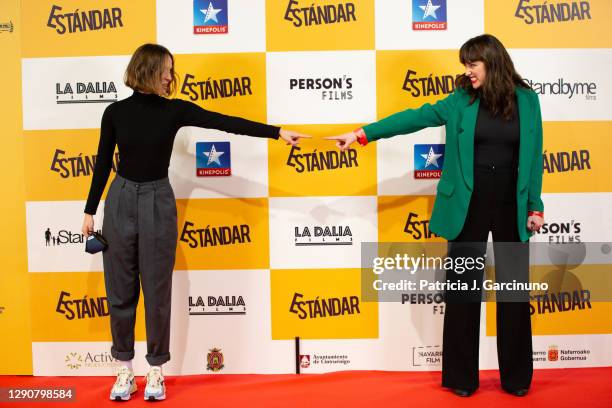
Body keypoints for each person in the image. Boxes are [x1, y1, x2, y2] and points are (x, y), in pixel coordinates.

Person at [81, 43, 309, 401]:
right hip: (121, 199)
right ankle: (123, 372)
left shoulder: (175, 111)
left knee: (156, 293)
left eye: (172, 69)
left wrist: (275, 132)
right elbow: (101, 162)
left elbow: (225, 122)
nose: (172, 76)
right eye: (167, 69)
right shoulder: (114, 113)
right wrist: (90, 210)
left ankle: (155, 372)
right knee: (120, 292)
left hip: (158, 198)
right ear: (149, 70)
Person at [326, 34, 544, 397]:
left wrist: (535, 205)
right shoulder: (460, 101)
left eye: (473, 64)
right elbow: (415, 118)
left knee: (513, 293)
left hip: (511, 203)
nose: (467, 71)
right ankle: (461, 379)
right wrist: (363, 134)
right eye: (465, 65)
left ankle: (517, 378)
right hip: (466, 204)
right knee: (463, 292)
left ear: (492, 61)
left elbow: (535, 155)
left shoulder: (527, 100)